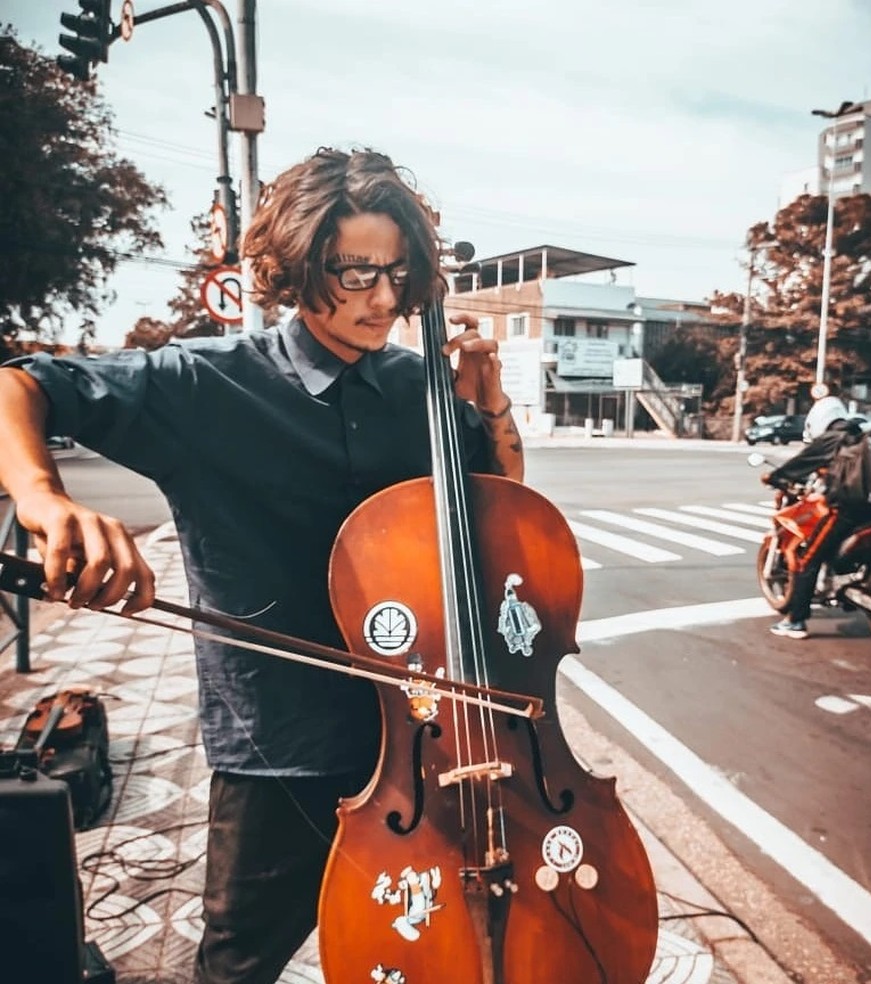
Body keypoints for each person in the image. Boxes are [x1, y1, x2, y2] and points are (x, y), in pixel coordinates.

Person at [0, 147, 523, 984]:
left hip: (429, 737)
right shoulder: (205, 382)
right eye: (355, 274)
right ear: (298, 264)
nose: (384, 299)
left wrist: (485, 392)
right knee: (238, 967)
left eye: (396, 273)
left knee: (432, 954)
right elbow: (18, 386)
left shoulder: (422, 387)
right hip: (280, 754)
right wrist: (43, 501)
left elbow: (499, 506)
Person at [762, 395, 865, 640]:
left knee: (807, 560)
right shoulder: (860, 435)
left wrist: (774, 477)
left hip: (846, 510)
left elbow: (801, 463)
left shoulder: (832, 438)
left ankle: (796, 621)